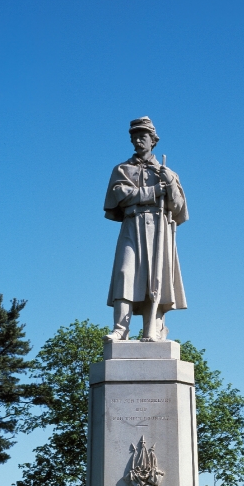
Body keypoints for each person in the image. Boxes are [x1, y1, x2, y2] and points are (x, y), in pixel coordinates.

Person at [103, 117, 188, 341]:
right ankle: (121, 329)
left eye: (143, 136)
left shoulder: (166, 172)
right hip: (132, 226)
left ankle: (155, 328)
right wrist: (153, 192)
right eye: (135, 136)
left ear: (153, 140)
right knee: (125, 273)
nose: (139, 140)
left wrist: (169, 184)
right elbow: (121, 196)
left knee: (156, 279)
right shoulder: (122, 169)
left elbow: (178, 207)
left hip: (159, 229)